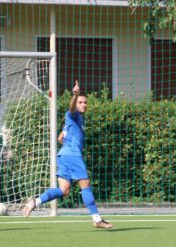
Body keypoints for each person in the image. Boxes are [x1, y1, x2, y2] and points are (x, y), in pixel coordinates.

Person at [22, 81, 113, 229]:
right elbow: (71, 109)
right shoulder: (73, 115)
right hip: (72, 156)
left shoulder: (76, 121)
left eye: (85, 102)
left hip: (63, 156)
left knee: (63, 190)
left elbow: (60, 137)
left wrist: (67, 139)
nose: (84, 104)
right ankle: (96, 219)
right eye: (81, 102)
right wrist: (75, 95)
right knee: (85, 184)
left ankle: (35, 202)